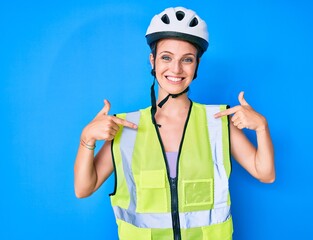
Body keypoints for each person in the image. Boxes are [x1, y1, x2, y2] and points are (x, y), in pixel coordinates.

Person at [74, 6, 275, 240]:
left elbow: (266, 174)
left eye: (187, 59)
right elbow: (83, 188)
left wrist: (262, 127)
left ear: (197, 64)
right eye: (166, 57)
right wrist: (86, 139)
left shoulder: (217, 123)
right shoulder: (126, 127)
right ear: (153, 61)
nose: (176, 69)